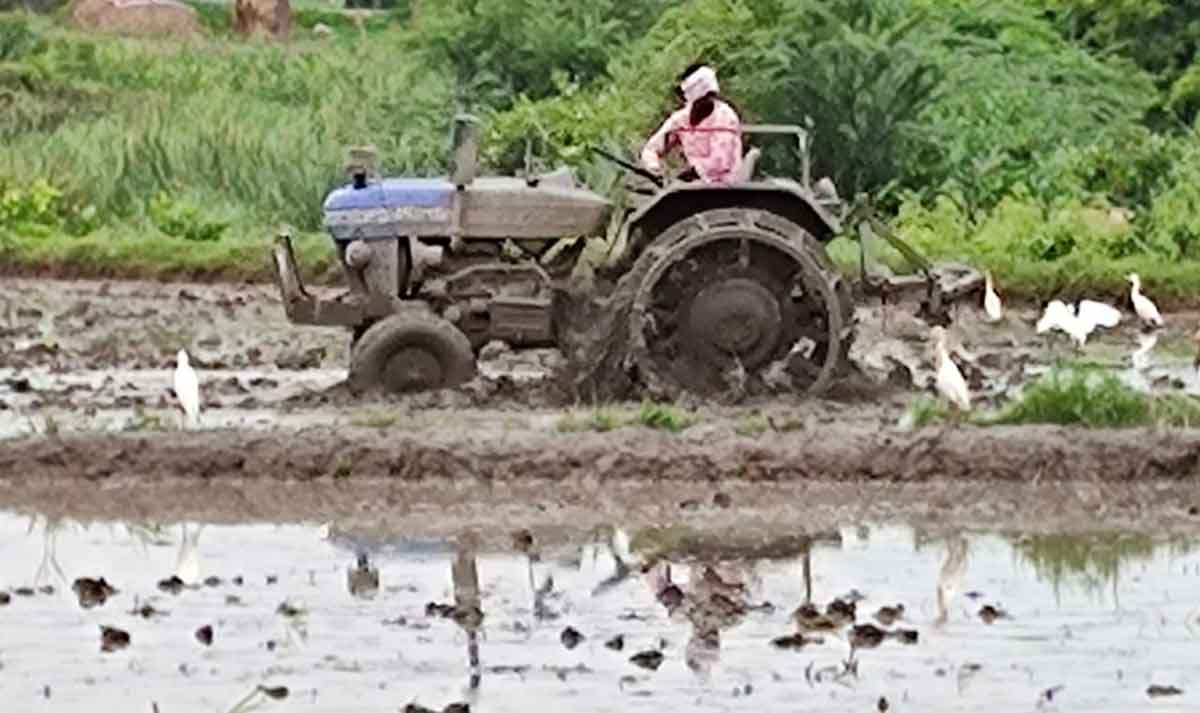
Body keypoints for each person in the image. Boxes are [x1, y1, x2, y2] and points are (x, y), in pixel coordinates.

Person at [639, 64, 743, 184]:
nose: (709, 101)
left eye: (711, 96)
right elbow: (651, 148)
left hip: (727, 188)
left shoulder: (726, 117)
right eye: (704, 98)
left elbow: (720, 163)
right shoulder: (680, 119)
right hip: (690, 188)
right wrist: (654, 168)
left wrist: (689, 174)